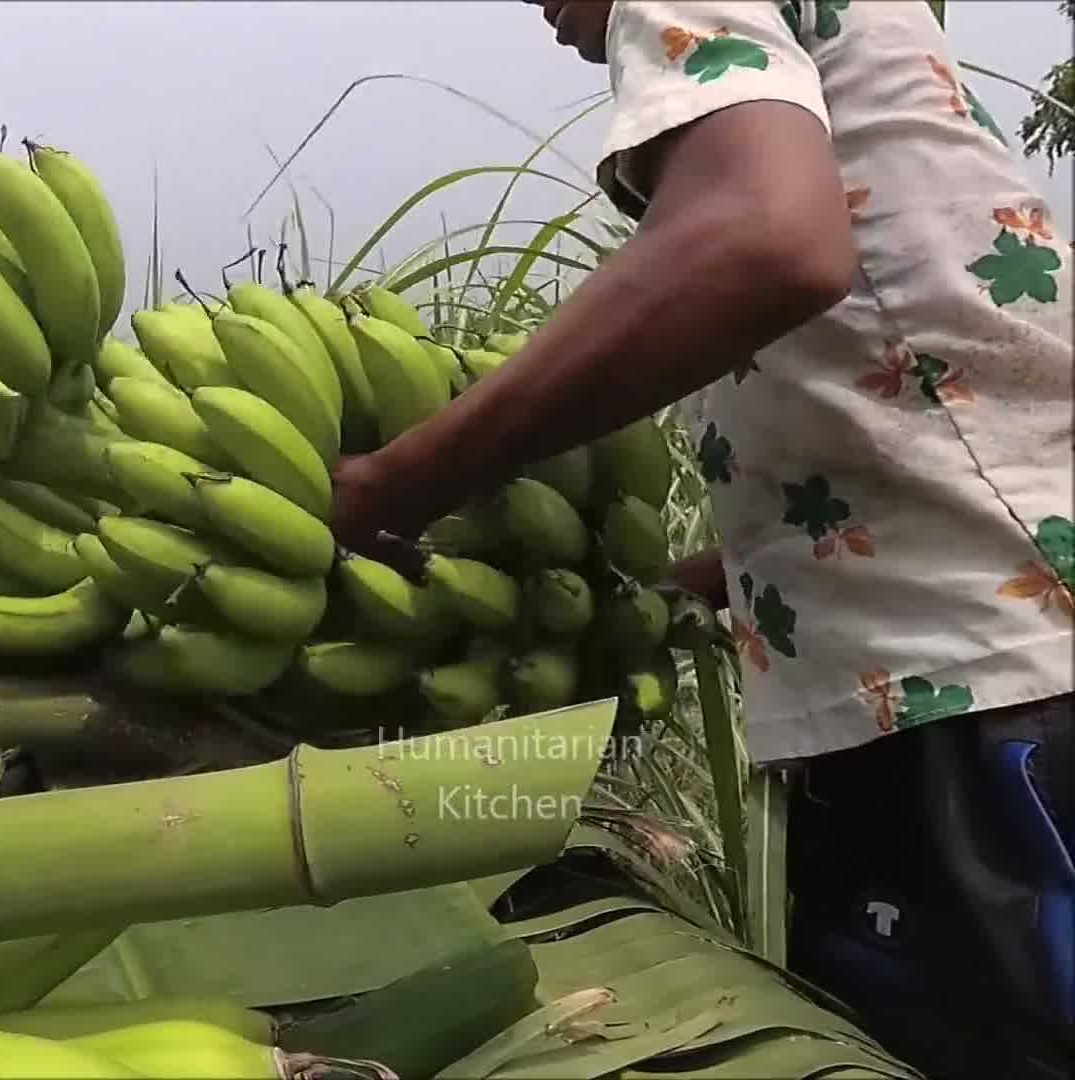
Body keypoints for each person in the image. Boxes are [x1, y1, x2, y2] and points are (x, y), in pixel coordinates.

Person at [330, 1, 1074, 1076]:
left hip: (974, 682)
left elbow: (766, 237)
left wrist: (401, 480)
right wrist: (721, 576)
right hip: (970, 657)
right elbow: (919, 341)